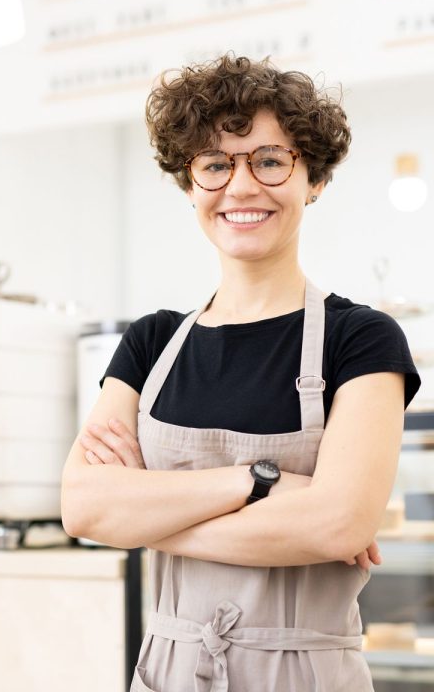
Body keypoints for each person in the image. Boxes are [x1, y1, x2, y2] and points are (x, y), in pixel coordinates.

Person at [61, 53, 420, 691]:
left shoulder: (362, 340)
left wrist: (152, 521)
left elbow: (339, 524)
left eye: (270, 160)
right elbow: (84, 508)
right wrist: (257, 484)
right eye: (215, 164)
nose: (242, 186)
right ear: (190, 183)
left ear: (314, 178)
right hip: (169, 672)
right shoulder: (151, 343)